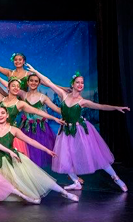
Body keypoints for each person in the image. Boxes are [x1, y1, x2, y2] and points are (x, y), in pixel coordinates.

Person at [27, 64, 130, 192]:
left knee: (97, 155)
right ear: (72, 84)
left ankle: (116, 178)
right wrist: (36, 71)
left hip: (81, 131)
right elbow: (49, 82)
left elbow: (101, 106)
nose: (81, 85)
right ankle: (76, 182)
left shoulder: (82, 101)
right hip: (66, 131)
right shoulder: (63, 95)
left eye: (82, 83)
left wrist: (116, 107)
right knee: (63, 158)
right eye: (78, 82)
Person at [0, 105, 79, 202]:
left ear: (7, 115)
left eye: (3, 113)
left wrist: (46, 150)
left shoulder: (13, 130)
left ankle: (64, 192)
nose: (0, 115)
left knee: (36, 176)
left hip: (13, 159)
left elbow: (30, 141)